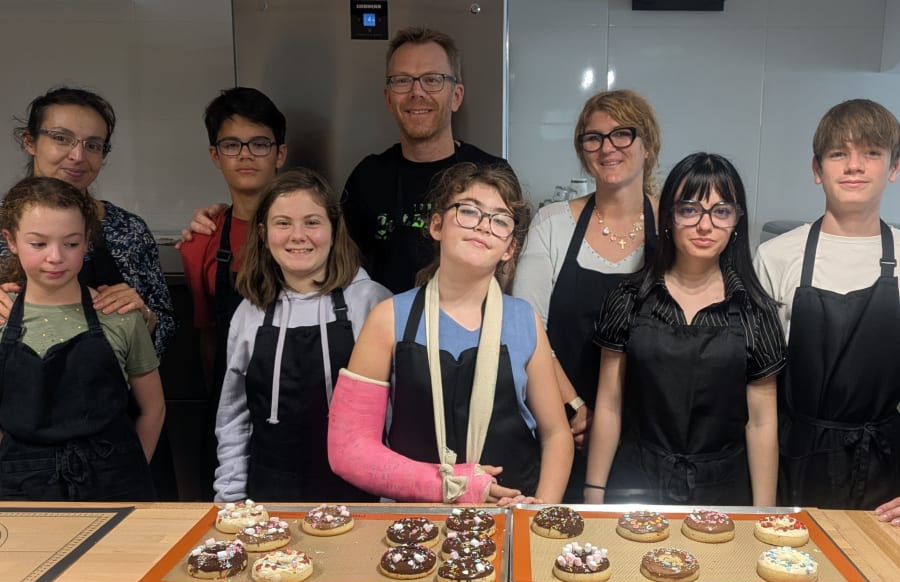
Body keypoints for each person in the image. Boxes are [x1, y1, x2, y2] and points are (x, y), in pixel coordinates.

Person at [328, 162, 573, 504]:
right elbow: (349, 450)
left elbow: (557, 434)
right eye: (469, 211)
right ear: (437, 225)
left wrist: (540, 509)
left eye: (500, 220)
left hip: (511, 514)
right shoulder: (389, 318)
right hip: (420, 524)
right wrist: (448, 485)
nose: (484, 226)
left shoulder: (523, 320)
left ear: (509, 249)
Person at [585, 153, 786, 506]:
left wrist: (762, 514)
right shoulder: (628, 299)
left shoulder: (756, 311)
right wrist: (594, 492)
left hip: (723, 490)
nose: (705, 226)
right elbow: (609, 405)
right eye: (689, 209)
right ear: (668, 217)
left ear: (736, 221)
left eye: (721, 211)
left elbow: (761, 424)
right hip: (635, 483)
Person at [754, 99, 900, 520]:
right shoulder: (776, 257)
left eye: (871, 152)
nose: (854, 166)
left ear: (893, 167)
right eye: (839, 153)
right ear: (817, 170)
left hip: (886, 476)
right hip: (791, 465)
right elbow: (755, 389)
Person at [513, 89, 661, 501]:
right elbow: (528, 325)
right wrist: (576, 407)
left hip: (650, 432)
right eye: (593, 138)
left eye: (621, 134)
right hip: (562, 426)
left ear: (648, 144)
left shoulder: (673, 223)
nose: (606, 147)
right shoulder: (553, 223)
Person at [213, 169, 390, 503]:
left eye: (312, 222)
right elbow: (234, 416)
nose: (298, 235)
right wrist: (229, 498)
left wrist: (389, 500)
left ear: (334, 230)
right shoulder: (249, 313)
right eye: (283, 223)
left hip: (360, 494)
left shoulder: (371, 302)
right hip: (269, 494)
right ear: (263, 234)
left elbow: (395, 411)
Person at [0, 176, 164, 500]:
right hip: (21, 491)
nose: (56, 256)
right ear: (11, 241)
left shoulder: (121, 317)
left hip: (116, 484)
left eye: (71, 243)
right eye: (38, 243)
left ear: (88, 242)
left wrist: (131, 473)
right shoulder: (2, 320)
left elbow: (153, 408)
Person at [0, 87, 176, 356]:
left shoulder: (129, 230)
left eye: (93, 145)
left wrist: (147, 319)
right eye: (61, 138)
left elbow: (166, 326)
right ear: (29, 141)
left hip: (112, 392)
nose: (78, 156)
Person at [342, 26, 514, 293]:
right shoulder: (367, 177)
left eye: (432, 80)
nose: (417, 92)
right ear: (389, 98)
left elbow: (508, 271)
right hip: (386, 330)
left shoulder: (492, 174)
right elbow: (345, 268)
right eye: (402, 80)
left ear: (456, 96)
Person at [180, 87, 287, 388]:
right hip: (231, 399)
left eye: (259, 143)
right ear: (215, 155)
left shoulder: (311, 235)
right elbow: (209, 336)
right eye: (231, 145)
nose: (245, 154)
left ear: (280, 154)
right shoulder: (200, 241)